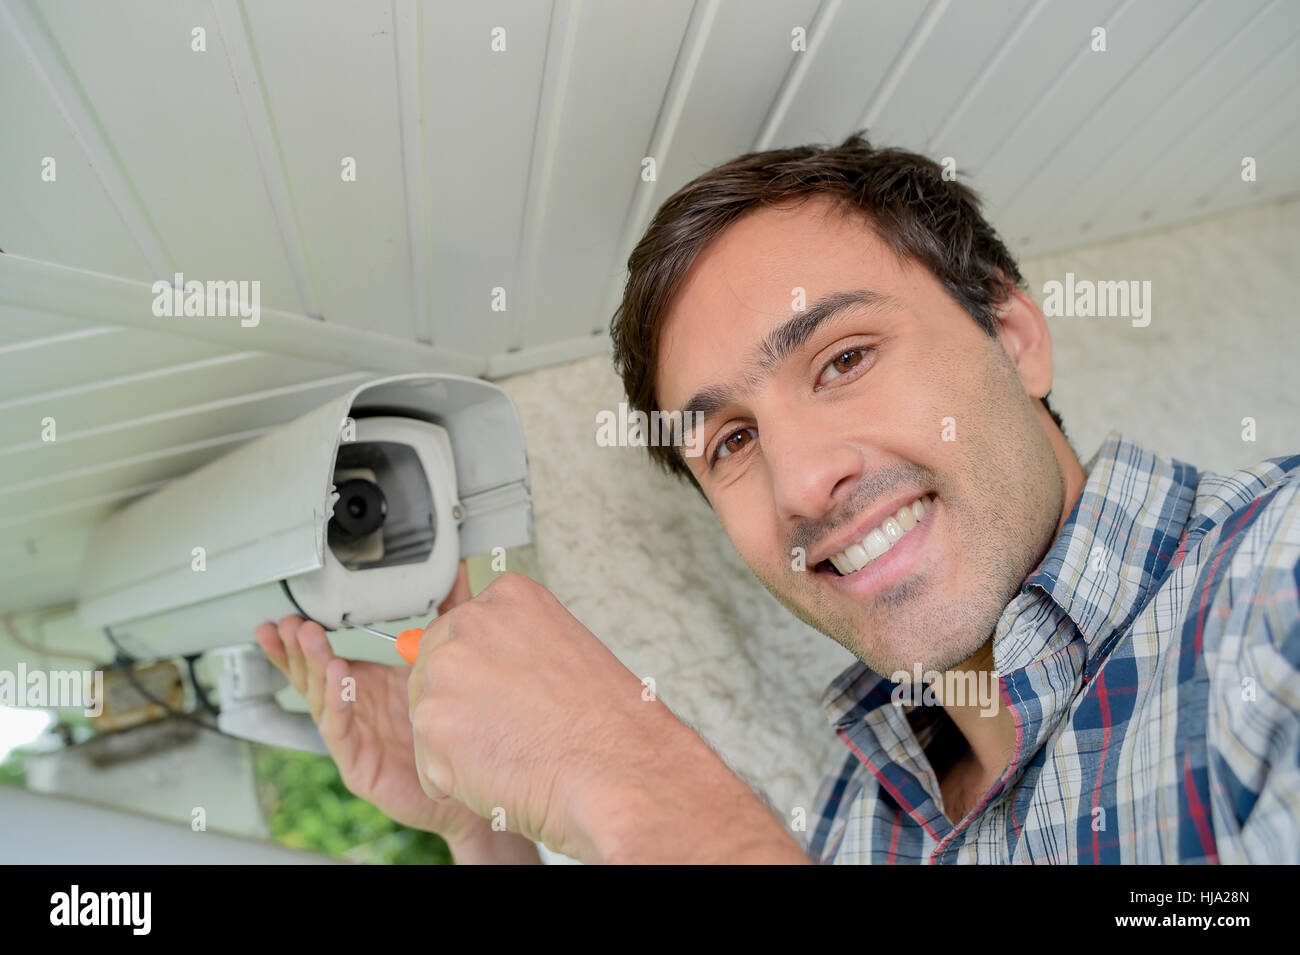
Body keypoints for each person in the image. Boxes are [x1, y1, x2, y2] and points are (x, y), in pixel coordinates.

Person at [256, 132, 1299, 864]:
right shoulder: (869, 808)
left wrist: (633, 777)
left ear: (1013, 336)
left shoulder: (1276, 586)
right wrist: (482, 830)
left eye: (843, 358)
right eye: (731, 441)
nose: (803, 484)